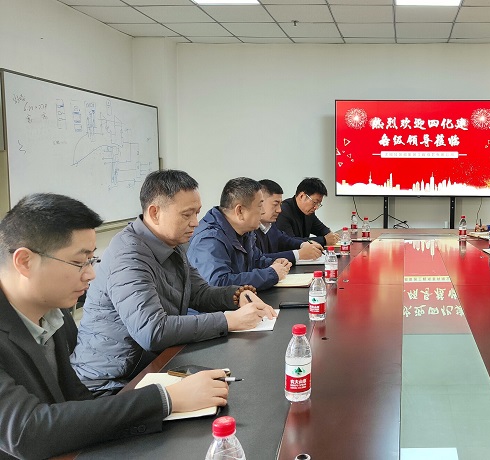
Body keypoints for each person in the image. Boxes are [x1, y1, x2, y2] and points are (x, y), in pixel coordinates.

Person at [0, 193, 230, 459]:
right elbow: (26, 431)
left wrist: (170, 401)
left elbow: (77, 399)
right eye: (78, 262)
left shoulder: (53, 312)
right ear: (25, 261)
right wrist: (166, 399)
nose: (91, 274)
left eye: (91, 260)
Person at [71, 170, 276, 393]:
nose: (195, 223)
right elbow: (153, 331)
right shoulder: (128, 256)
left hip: (151, 364)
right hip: (112, 384)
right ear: (155, 213)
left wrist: (237, 296)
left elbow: (199, 293)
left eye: (197, 213)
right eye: (187, 215)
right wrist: (228, 320)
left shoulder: (172, 244)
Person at [187, 177, 292, 290]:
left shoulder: (245, 231)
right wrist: (271, 274)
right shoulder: (209, 239)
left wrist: (272, 263)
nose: (263, 211)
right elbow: (217, 284)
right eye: (259, 206)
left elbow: (256, 260)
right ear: (240, 211)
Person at [255, 179, 323, 264]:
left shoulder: (270, 225)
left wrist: (303, 244)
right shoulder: (249, 229)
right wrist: (298, 254)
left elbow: (284, 240)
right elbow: (258, 259)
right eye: (275, 204)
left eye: (280, 205)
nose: (279, 210)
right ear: (259, 203)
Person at [275, 177, 340, 246]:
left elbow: (321, 229)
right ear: (302, 196)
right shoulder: (283, 211)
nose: (316, 207)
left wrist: (332, 236)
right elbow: (289, 242)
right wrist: (324, 240)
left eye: (319, 204)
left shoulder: (308, 212)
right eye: (315, 202)